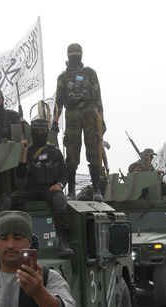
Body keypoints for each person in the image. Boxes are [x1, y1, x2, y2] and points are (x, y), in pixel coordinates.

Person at [6, 118, 74, 258]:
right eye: (37, 131)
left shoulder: (54, 151)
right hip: (31, 189)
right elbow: (20, 175)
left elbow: (65, 174)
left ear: (47, 132)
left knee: (60, 201)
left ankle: (63, 241)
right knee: (9, 200)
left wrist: (60, 185)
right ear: (32, 132)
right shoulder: (27, 150)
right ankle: (5, 238)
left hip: (49, 189)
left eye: (43, 131)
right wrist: (23, 153)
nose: (40, 133)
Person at [53, 43, 104, 201]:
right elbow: (58, 102)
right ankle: (72, 191)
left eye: (77, 54)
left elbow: (98, 99)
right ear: (68, 56)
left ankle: (96, 189)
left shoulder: (90, 73)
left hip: (90, 114)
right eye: (73, 54)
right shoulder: (62, 77)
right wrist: (54, 122)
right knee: (72, 152)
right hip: (72, 115)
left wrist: (102, 120)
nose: (75, 57)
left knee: (94, 151)